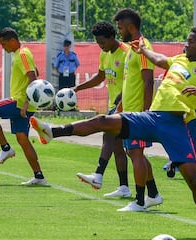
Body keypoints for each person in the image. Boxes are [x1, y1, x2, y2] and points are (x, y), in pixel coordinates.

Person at [30, 26, 196, 238]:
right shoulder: (179, 60)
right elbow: (160, 59)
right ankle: (53, 132)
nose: (186, 44)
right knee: (104, 121)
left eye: (191, 42)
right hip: (151, 117)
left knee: (193, 179)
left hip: (175, 125)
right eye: (187, 40)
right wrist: (143, 51)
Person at [0, 27, 47, 185]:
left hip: (19, 102)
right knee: (22, 139)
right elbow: (35, 71)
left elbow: (33, 77)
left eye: (4, 44)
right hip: (23, 104)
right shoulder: (23, 53)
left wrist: (26, 103)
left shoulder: (22, 54)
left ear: (12, 41)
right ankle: (39, 177)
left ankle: (5, 148)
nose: (3, 48)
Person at [113, 8, 163, 210]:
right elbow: (130, 83)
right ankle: (152, 194)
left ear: (130, 27)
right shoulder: (132, 49)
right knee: (133, 153)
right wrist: (121, 107)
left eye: (120, 28)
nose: (119, 32)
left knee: (136, 154)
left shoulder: (143, 47)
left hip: (138, 115)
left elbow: (148, 81)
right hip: (129, 111)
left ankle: (140, 201)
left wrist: (146, 112)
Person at [74, 21, 131, 198]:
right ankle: (124, 187)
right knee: (118, 148)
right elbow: (100, 77)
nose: (101, 46)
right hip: (113, 106)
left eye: (103, 42)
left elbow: (133, 79)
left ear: (112, 37)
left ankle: (98, 175)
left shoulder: (126, 53)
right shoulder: (104, 55)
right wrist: (77, 88)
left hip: (126, 105)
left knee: (109, 135)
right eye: (98, 43)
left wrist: (122, 96)